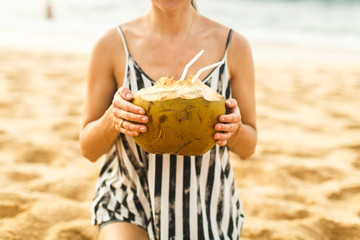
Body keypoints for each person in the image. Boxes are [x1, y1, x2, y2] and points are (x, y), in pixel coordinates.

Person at [79, 0, 257, 239]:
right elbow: (88, 149)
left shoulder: (233, 46)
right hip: (129, 197)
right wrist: (114, 117)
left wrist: (234, 131)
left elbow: (249, 147)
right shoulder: (111, 45)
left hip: (206, 202)